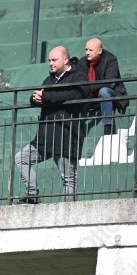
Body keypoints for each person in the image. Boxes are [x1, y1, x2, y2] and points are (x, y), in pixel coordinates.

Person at [15, 46, 88, 204]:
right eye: (49, 60)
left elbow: (77, 94)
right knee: (21, 158)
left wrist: (47, 96)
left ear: (65, 60)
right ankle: (32, 195)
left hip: (66, 136)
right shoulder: (49, 80)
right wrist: (35, 98)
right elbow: (38, 96)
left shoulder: (79, 76)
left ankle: (68, 211)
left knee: (68, 178)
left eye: (54, 60)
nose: (51, 63)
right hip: (45, 136)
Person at [76, 37, 129, 135]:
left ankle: (108, 127)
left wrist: (89, 88)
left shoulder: (111, 59)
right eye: (86, 49)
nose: (87, 52)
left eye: (90, 50)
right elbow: (79, 81)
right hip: (91, 96)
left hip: (112, 94)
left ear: (100, 51)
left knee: (104, 91)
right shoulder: (82, 62)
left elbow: (109, 83)